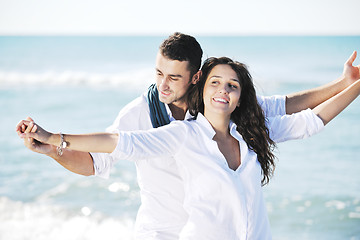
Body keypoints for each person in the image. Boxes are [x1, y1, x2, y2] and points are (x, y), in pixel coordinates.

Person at [17, 32, 360, 239]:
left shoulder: (219, 107)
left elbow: (286, 107)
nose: (162, 85)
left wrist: (344, 85)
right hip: (160, 233)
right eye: (158, 73)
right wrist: (52, 148)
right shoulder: (139, 114)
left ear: (195, 77)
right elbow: (96, 160)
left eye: (174, 77)